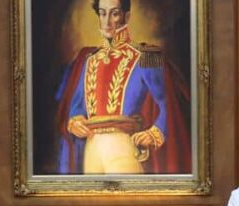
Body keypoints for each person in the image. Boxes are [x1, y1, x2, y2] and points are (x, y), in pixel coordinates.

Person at [55, 0, 191, 174]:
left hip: (123, 146)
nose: (107, 21)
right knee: (91, 200)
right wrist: (74, 122)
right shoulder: (88, 60)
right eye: (103, 13)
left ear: (126, 17)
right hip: (91, 146)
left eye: (114, 13)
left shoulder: (146, 56)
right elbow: (76, 108)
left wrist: (153, 133)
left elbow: (168, 105)